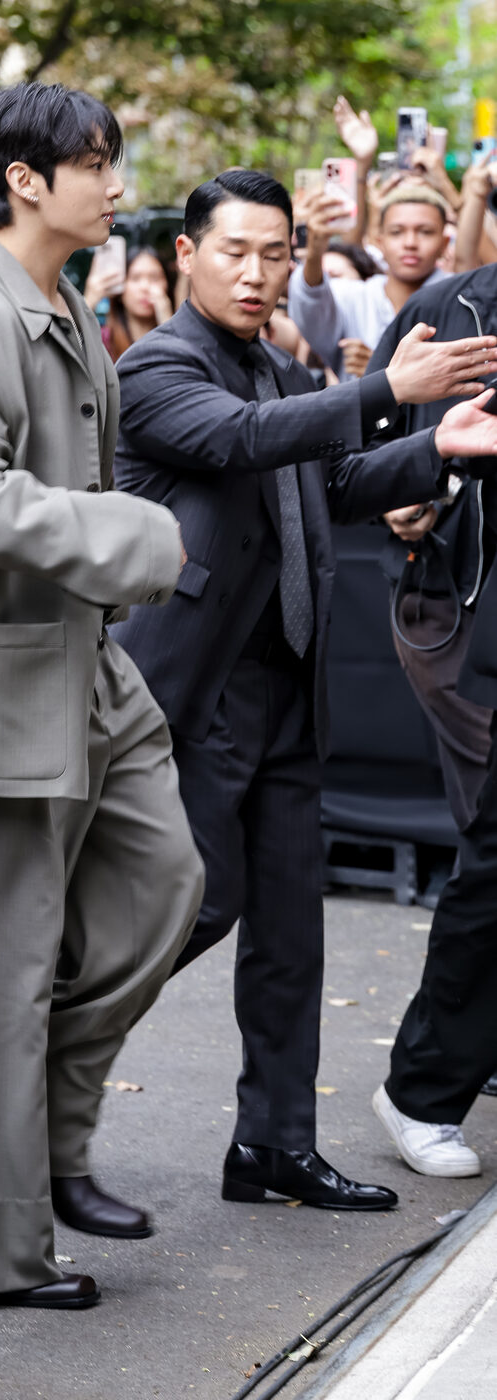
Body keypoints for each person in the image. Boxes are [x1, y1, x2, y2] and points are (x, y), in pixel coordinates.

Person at [110, 168, 497, 1211]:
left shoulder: (277, 369)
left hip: (286, 678)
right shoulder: (156, 365)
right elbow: (239, 442)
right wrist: (385, 393)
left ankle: (274, 1146)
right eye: (233, 251)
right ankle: (40, 1065)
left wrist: (434, 446)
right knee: (188, 911)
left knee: (290, 933)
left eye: (273, 254)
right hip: (200, 692)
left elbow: (326, 484)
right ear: (186, 254)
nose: (254, 272)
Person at [0, 82, 204, 1311]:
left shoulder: (63, 302)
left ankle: (46, 1142)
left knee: (165, 883)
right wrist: (136, 536)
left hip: (85, 671)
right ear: (25, 180)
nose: (117, 186)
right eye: (97, 163)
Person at [366, 262, 497, 1173]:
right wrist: (412, 492)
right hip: (458, 603)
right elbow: (375, 433)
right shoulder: (454, 304)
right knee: (492, 863)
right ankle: (422, 1089)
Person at [288, 183, 451, 380]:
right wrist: (314, 254)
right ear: (380, 241)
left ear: (444, 243)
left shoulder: (462, 301)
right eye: (396, 232)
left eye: (425, 232)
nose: (410, 243)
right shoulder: (351, 296)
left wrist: (379, 367)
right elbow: (311, 303)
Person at [84, 245, 173, 361]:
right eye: (135, 278)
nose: (145, 287)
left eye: (154, 278)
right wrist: (88, 303)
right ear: (120, 290)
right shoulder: (102, 340)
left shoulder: (181, 337)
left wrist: (167, 323)